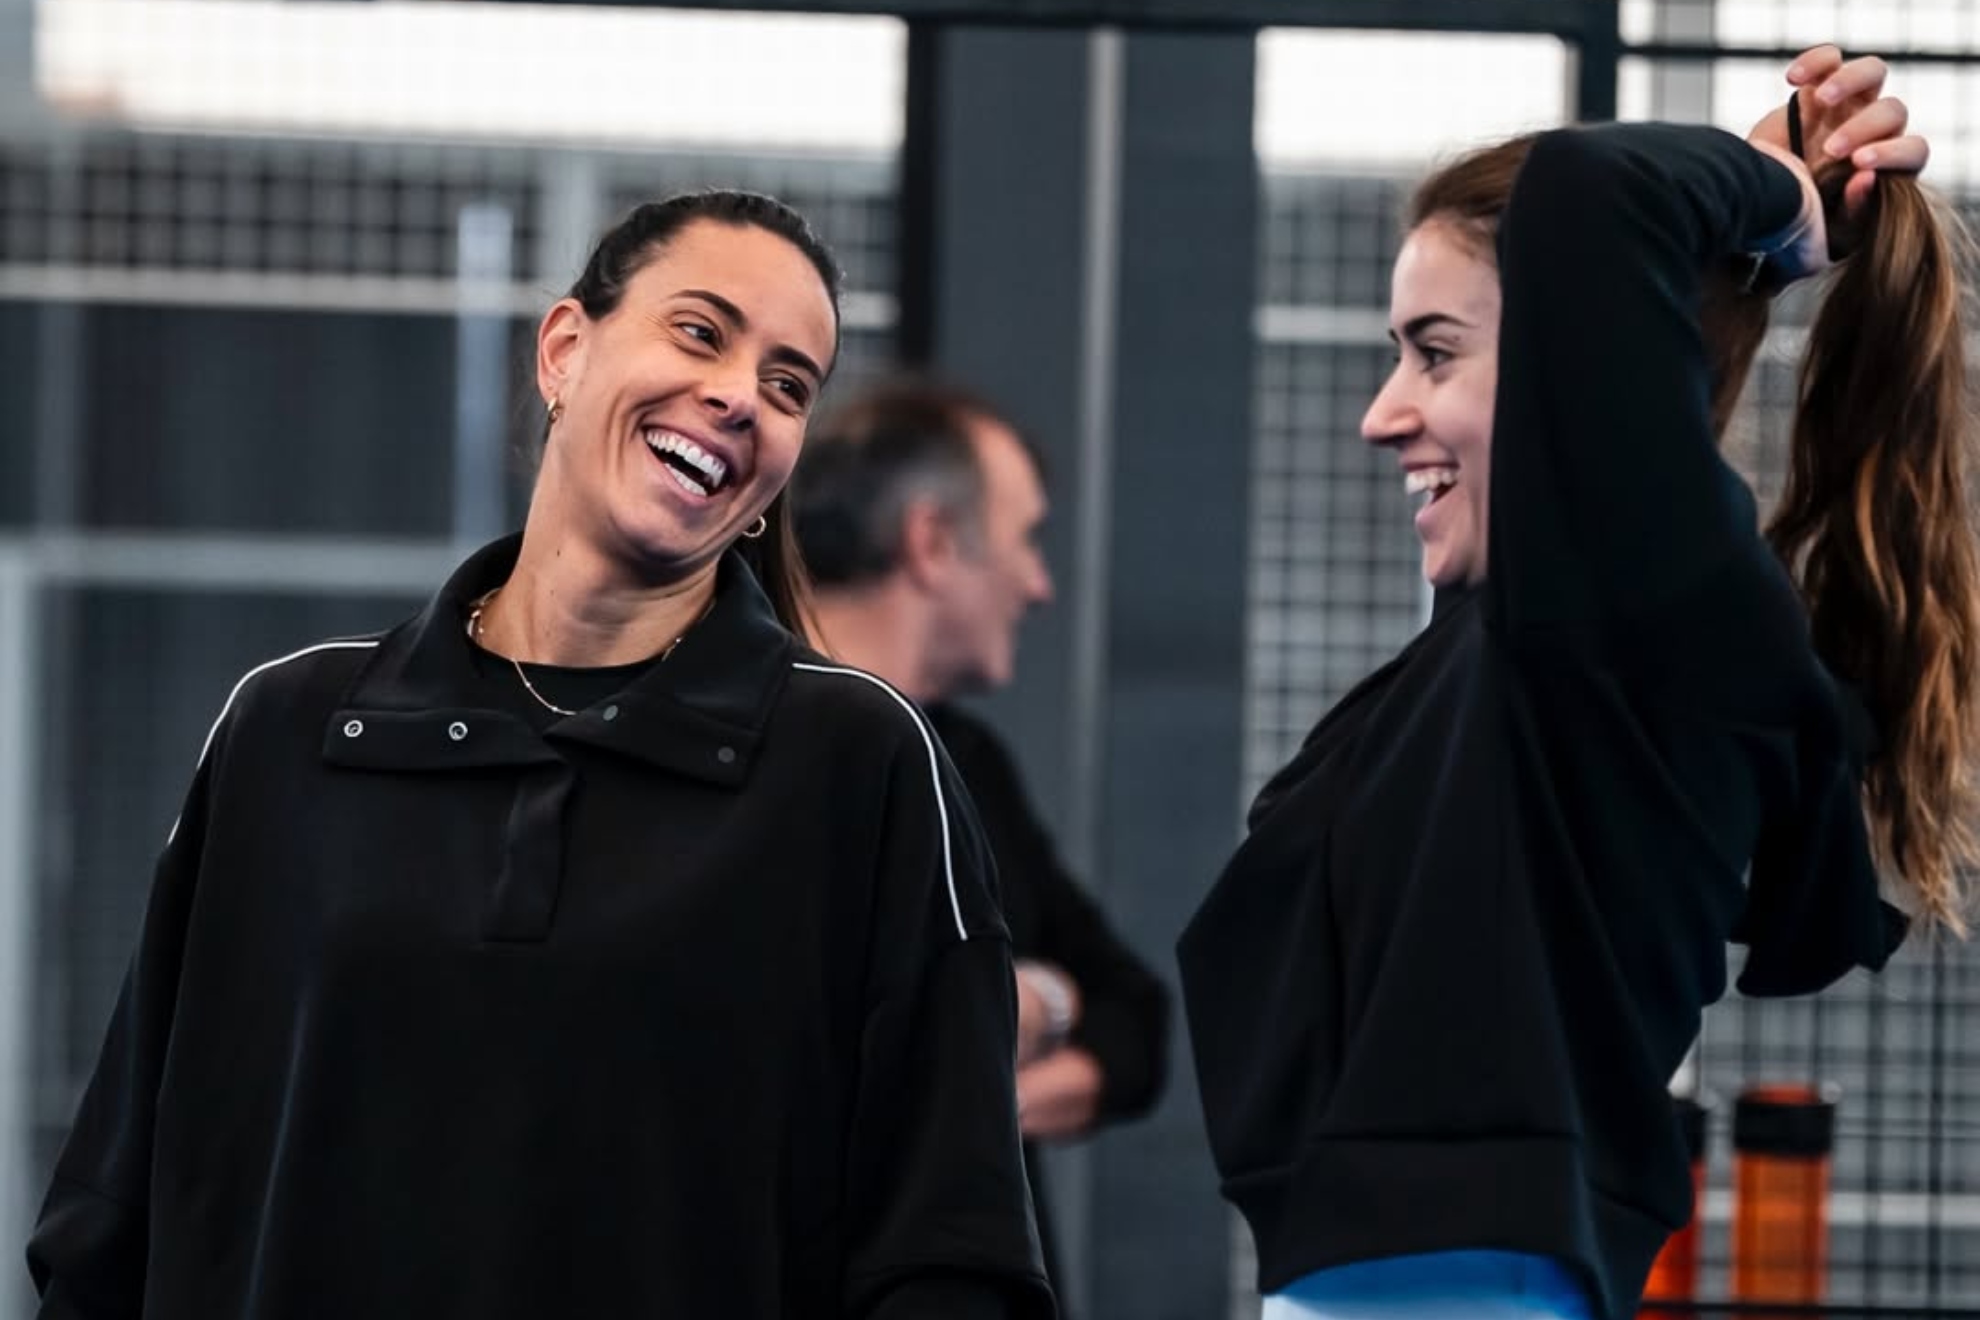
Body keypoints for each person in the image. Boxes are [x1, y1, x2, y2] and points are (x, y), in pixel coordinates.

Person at [27, 192, 1055, 1320]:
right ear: (565, 349)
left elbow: (951, 1254)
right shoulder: (290, 728)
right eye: (701, 332)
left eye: (787, 384)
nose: (737, 397)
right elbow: (113, 1215)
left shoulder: (860, 764)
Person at [1177, 46, 1975, 1320]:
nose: (1383, 412)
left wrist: (1774, 197)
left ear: (1571, 363)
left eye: (1436, 352)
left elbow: (1593, 193)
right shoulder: (1531, 650)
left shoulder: (1634, 617)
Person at [790, 379, 1171, 1308]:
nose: (1039, 585)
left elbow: (1136, 1020)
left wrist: (1000, 1057)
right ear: (932, 543)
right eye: (1025, 539)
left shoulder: (968, 762)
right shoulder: (757, 748)